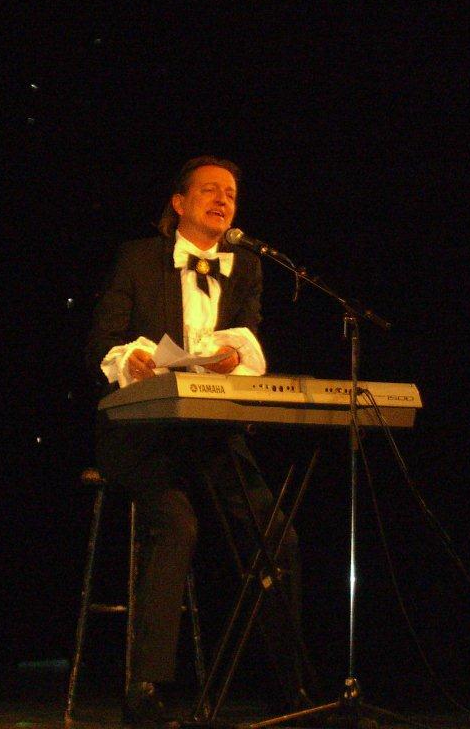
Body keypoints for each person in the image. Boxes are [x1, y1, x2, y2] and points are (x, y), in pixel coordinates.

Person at [86, 156, 306, 725]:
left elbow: (249, 340)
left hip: (213, 435)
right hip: (145, 434)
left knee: (276, 535)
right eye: (209, 190)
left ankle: (289, 692)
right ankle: (144, 690)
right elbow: (101, 341)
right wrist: (131, 361)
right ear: (179, 202)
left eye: (230, 193)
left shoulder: (246, 266)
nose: (222, 199)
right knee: (177, 524)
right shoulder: (139, 258)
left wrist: (234, 356)